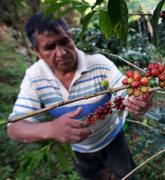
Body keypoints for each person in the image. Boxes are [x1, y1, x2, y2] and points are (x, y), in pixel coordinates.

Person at [7, 12, 153, 180]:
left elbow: (125, 91)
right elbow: (14, 127)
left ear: (70, 36)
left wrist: (136, 100)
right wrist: (50, 129)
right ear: (37, 51)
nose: (61, 52)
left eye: (64, 42)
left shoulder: (98, 63)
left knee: (126, 175)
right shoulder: (34, 77)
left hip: (112, 138)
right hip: (79, 150)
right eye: (49, 47)